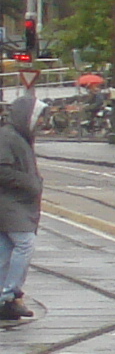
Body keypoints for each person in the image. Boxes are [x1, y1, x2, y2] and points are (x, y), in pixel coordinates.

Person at [0, 93, 38, 326]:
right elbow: (2, 170)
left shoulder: (19, 136)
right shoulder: (8, 137)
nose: (40, 122)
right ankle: (11, 293)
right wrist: (30, 183)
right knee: (25, 243)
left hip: (15, 204)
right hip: (10, 204)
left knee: (5, 249)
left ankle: (4, 297)